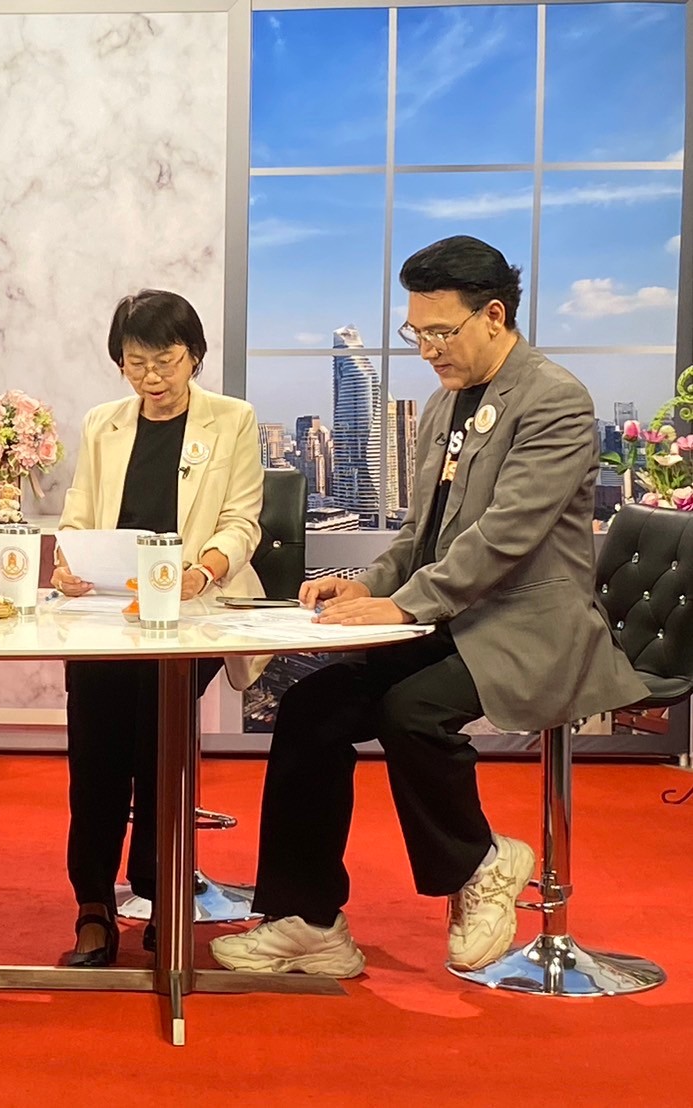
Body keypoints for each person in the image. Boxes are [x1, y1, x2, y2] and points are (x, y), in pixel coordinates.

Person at [211, 236, 647, 978]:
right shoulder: (443, 405)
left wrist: (405, 605)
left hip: (531, 624)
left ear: (494, 315)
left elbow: (506, 535)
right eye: (416, 332)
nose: (426, 350)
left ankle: (480, 862)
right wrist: (370, 585)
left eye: (440, 332)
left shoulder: (555, 401)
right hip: (451, 617)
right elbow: (421, 532)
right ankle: (307, 920)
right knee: (311, 707)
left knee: (409, 710)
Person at [53, 289, 268, 966]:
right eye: (135, 363)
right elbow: (78, 515)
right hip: (107, 613)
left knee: (157, 749)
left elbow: (241, 521)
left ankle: (158, 892)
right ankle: (92, 905)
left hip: (189, 611)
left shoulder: (231, 420)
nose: (150, 378)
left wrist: (202, 571)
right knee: (95, 757)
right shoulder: (103, 424)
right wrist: (67, 563)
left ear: (194, 355)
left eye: (164, 361)